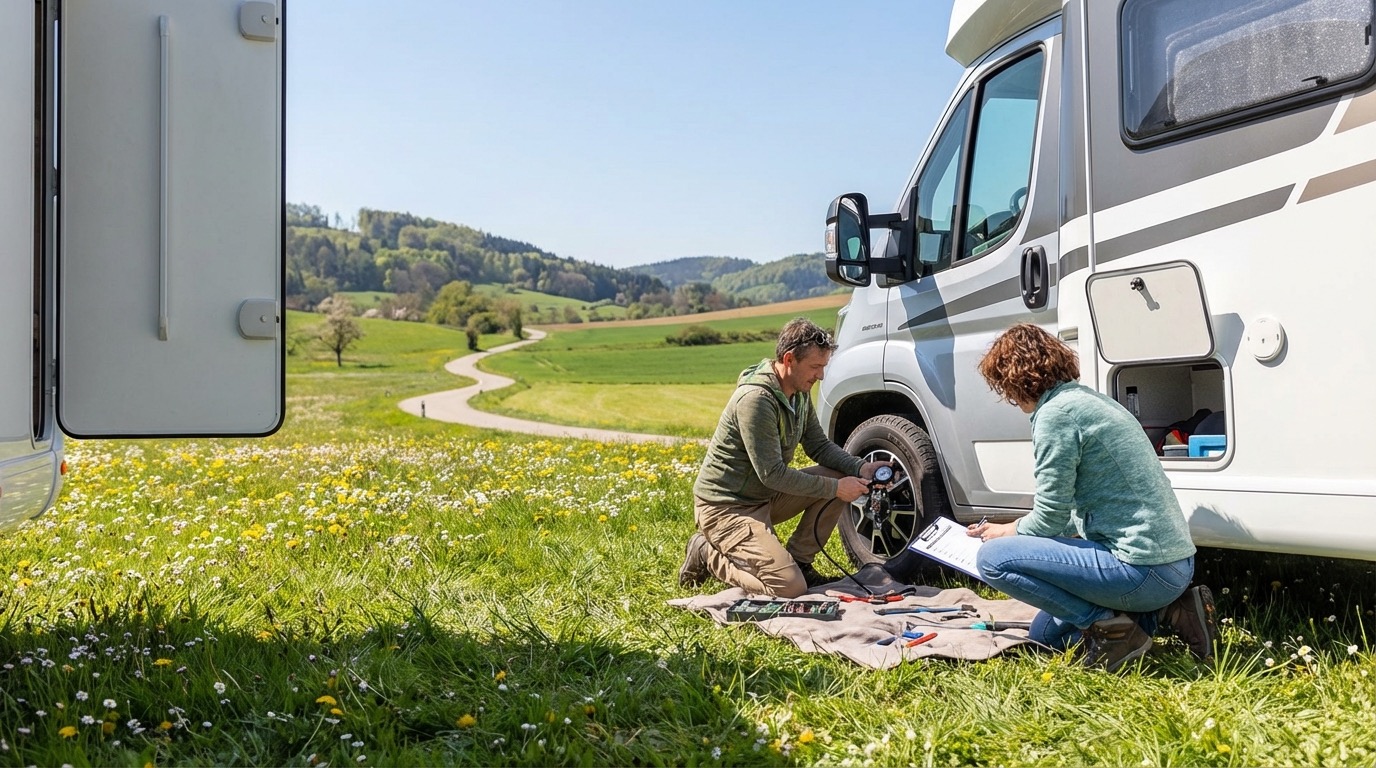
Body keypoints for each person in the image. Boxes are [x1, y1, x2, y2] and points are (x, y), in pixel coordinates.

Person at [967, 323, 1217, 671]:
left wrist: (1008, 531)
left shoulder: (1055, 415)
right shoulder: (1089, 401)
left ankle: (1113, 630)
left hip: (1142, 570)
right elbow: (1079, 509)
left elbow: (1050, 520)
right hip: (1173, 568)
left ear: (1015, 380)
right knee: (1046, 635)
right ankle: (1172, 611)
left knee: (993, 559)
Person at [677, 318, 888, 598]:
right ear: (789, 359)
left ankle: (801, 562)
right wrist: (837, 489)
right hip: (727, 509)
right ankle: (707, 554)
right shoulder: (756, 400)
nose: (821, 376)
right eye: (815, 367)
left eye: (823, 366)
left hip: (764, 497)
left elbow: (818, 446)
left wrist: (862, 467)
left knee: (838, 476)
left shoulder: (797, 393)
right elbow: (772, 474)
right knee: (788, 588)